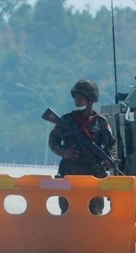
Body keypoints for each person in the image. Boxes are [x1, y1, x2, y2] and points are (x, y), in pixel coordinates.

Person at [48, 79, 118, 214]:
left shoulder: (101, 123)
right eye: (75, 96)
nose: (76, 100)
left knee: (95, 214)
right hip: (70, 173)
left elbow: (111, 143)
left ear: (90, 99)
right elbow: (53, 141)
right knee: (68, 212)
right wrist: (64, 152)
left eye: (80, 96)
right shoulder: (67, 120)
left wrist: (110, 158)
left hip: (93, 175)